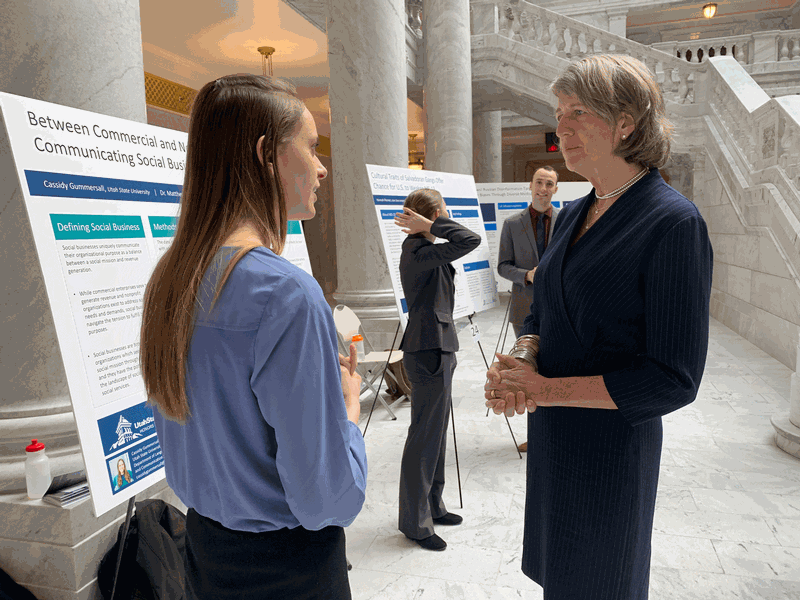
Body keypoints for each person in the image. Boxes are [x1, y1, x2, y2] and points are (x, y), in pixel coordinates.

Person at [484, 55, 713, 600]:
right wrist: (523, 359)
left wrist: (544, 390)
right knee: (560, 582)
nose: (560, 127)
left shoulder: (673, 222)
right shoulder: (574, 210)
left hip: (611, 456)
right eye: (559, 113)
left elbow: (673, 378)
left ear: (627, 122)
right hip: (555, 442)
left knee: (600, 584)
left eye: (578, 112)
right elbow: (542, 312)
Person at [140, 75, 367, 599]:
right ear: (267, 154)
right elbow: (326, 498)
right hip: (289, 568)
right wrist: (348, 411)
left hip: (205, 552)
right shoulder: (286, 293)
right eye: (310, 147)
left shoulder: (169, 279)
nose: (321, 165)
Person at [394, 189, 480, 552]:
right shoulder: (419, 251)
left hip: (439, 345)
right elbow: (469, 239)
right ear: (428, 215)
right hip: (428, 348)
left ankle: (432, 505)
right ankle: (415, 522)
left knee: (436, 434)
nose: (446, 216)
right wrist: (432, 225)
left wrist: (431, 224)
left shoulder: (426, 251)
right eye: (441, 211)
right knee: (424, 437)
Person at [497, 165, 561, 452]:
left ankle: (557, 430)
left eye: (549, 184)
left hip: (560, 309)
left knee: (558, 369)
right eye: (539, 182)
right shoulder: (512, 223)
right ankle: (536, 435)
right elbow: (502, 266)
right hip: (524, 308)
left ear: (555, 189)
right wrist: (527, 275)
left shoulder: (567, 221)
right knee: (528, 371)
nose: (543, 188)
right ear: (530, 185)